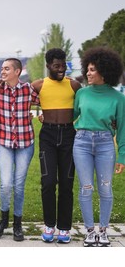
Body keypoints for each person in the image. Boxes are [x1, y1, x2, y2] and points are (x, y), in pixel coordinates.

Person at [73, 47, 125, 247]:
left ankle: (103, 231)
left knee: (105, 189)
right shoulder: (82, 93)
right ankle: (89, 231)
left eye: (92, 69)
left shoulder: (118, 98)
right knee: (86, 188)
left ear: (104, 71)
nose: (88, 72)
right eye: (88, 68)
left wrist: (122, 156)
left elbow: (122, 130)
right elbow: (71, 116)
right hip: (82, 143)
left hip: (105, 144)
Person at [31, 48, 82, 243]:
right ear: (48, 66)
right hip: (48, 137)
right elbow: (18, 93)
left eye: (63, 65)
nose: (61, 69)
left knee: (67, 184)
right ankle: (49, 224)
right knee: (48, 182)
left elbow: (88, 102)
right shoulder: (39, 85)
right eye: (56, 66)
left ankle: (64, 228)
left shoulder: (75, 85)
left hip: (69, 135)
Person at [0, 58, 39, 241]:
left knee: (19, 185)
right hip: (4, 143)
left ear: (17, 71)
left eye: (6, 69)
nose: (2, 72)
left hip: (25, 144)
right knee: (5, 184)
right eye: (2, 69)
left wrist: (42, 114)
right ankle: (3, 220)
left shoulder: (28, 89)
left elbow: (47, 101)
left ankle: (17, 224)